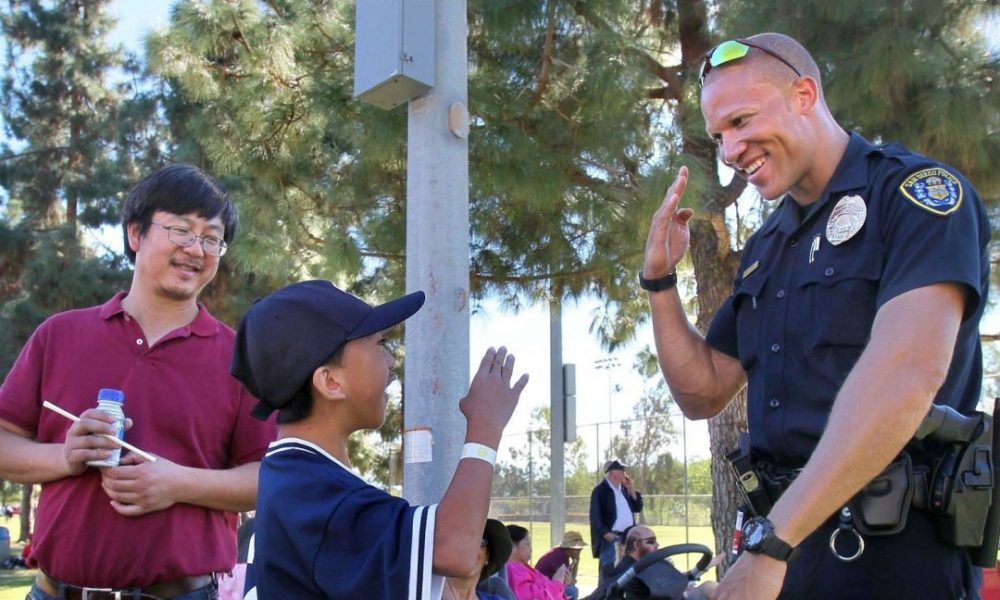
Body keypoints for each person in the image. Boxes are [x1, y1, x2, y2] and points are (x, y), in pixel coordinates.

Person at [642, 32, 990, 600]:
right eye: (718, 135)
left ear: (804, 94)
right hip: (789, 553)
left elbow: (906, 375)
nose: (729, 151)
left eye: (741, 121)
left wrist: (774, 544)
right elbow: (702, 392)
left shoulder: (915, 197)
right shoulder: (767, 246)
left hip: (895, 556)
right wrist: (659, 282)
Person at [0, 164, 277, 599]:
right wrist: (67, 456)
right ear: (135, 234)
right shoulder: (59, 335)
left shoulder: (242, 358)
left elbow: (270, 477)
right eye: (182, 230)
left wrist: (176, 483)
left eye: (211, 238)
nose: (196, 248)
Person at [231, 279, 529, 599]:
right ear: (330, 382)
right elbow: (453, 548)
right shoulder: (313, 489)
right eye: (379, 344)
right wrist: (485, 429)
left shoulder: (297, 473)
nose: (391, 361)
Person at [589, 460, 643, 583]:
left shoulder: (624, 489)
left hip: (628, 537)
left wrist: (631, 488)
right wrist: (605, 533)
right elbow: (595, 517)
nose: (625, 473)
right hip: (611, 537)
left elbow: (637, 508)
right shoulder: (600, 491)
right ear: (613, 472)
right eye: (621, 470)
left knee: (627, 571)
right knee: (608, 572)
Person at [444, 518, 513, 600]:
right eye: (462, 541)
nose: (469, 548)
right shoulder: (427, 593)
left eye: (479, 541)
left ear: (488, 556)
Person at [504, 525, 567, 600]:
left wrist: (561, 583)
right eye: (527, 544)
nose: (531, 549)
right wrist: (557, 583)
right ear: (512, 546)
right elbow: (534, 597)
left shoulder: (522, 567)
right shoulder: (515, 570)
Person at [534, 530, 586, 600]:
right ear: (569, 548)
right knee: (573, 591)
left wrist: (576, 561)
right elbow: (569, 582)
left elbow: (570, 580)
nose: (581, 550)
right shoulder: (559, 556)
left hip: (546, 587)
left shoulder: (561, 554)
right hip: (542, 589)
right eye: (578, 548)